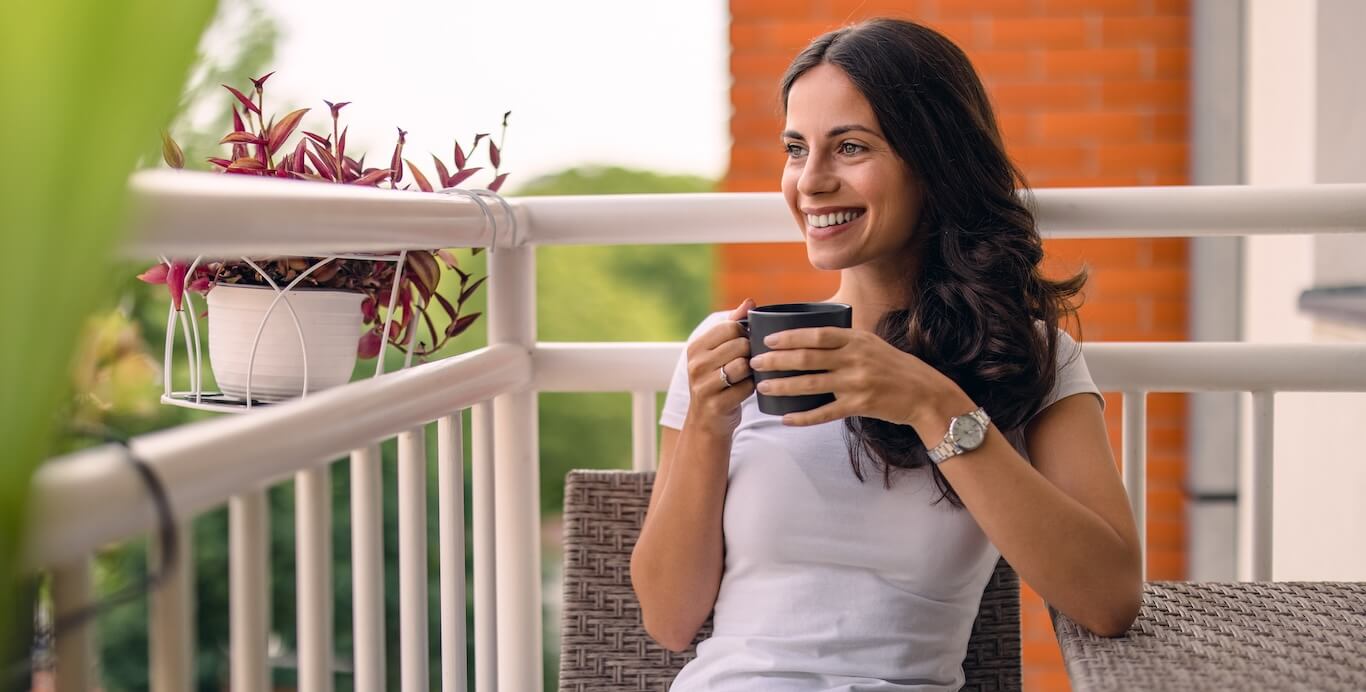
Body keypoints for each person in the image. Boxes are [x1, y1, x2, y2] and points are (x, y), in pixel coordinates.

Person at [629, 17, 1142, 691]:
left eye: (849, 148)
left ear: (934, 163)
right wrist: (704, 424)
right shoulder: (726, 351)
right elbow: (669, 619)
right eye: (795, 149)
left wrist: (933, 405)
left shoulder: (1026, 356)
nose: (809, 182)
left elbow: (1109, 600)